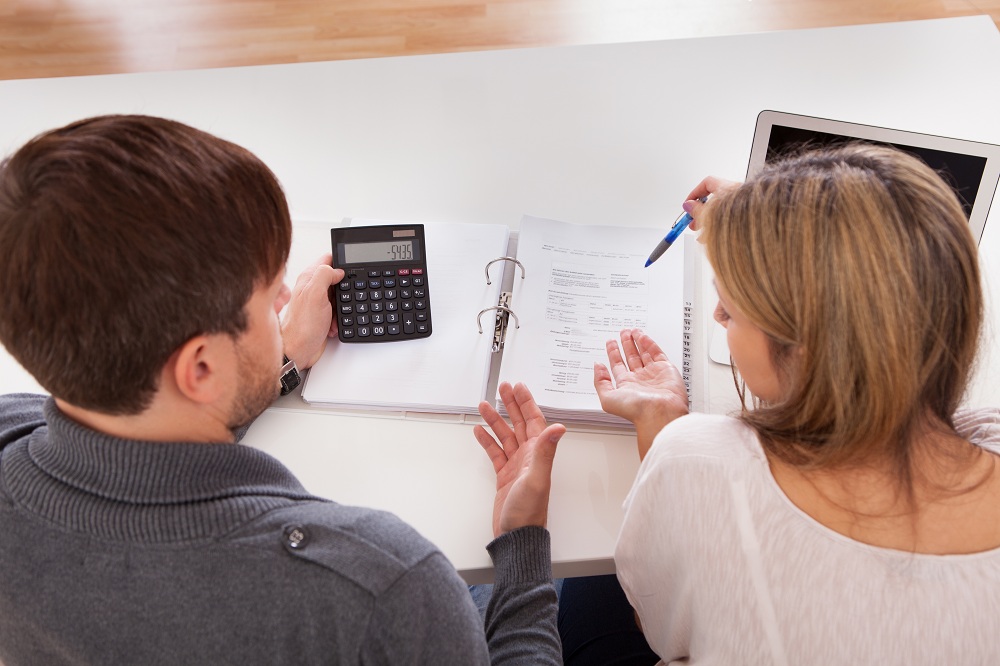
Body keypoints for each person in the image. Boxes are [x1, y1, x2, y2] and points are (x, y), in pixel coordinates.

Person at [0, 114, 562, 664]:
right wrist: (522, 545)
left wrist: (283, 358)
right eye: (270, 298)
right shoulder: (383, 584)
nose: (286, 300)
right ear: (199, 369)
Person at [590, 143, 1000, 663]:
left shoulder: (697, 461)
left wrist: (661, 424)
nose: (717, 315)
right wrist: (772, 227)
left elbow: (662, 631)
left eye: (733, 309)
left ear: (805, 345)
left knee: (590, 590)